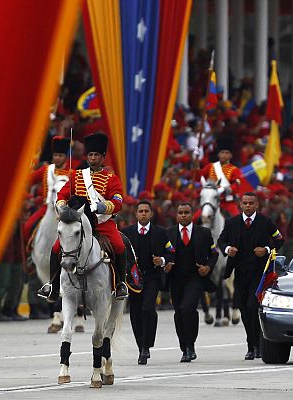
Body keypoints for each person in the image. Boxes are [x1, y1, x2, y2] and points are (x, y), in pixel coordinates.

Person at [39, 132, 128, 302]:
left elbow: (118, 201)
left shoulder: (112, 179)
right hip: (78, 223)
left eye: (96, 155)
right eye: (90, 155)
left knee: (118, 245)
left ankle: (120, 284)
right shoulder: (77, 176)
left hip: (102, 222)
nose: (93, 158)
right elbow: (62, 195)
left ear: (103, 157)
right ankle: (53, 285)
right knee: (56, 248)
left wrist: (103, 206)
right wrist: (63, 207)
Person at [217, 192, 284, 360]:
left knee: (253, 306)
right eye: (245, 203)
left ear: (257, 205)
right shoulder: (232, 223)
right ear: (240, 204)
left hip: (259, 273)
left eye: (251, 203)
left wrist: (267, 250)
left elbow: (279, 239)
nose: (247, 205)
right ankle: (251, 344)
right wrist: (227, 250)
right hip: (240, 272)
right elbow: (221, 240)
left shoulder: (265, 222)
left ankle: (257, 345)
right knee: (243, 308)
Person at [164, 202, 218, 362]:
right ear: (176, 215)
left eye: (186, 212)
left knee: (188, 309)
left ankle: (190, 346)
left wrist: (208, 267)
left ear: (192, 214)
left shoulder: (204, 233)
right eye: (180, 212)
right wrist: (164, 264)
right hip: (175, 278)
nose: (183, 215)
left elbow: (214, 254)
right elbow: (163, 254)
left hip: (195, 278)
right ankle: (184, 347)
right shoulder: (168, 233)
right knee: (179, 313)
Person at [122, 200, 174, 365]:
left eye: (146, 211)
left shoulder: (161, 233)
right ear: (136, 214)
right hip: (133, 280)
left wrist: (163, 260)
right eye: (140, 211)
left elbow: (171, 252)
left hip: (152, 277)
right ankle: (140, 346)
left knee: (148, 308)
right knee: (135, 312)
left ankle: (147, 345)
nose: (143, 213)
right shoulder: (126, 233)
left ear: (151, 214)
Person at [201, 137, 242, 217]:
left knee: (237, 222)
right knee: (195, 219)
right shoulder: (210, 166)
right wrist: (195, 162)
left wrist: (228, 189)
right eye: (222, 152)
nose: (224, 155)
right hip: (210, 201)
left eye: (227, 153)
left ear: (231, 155)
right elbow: (198, 176)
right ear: (218, 154)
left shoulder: (235, 170)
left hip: (227, 203)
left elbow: (236, 185)